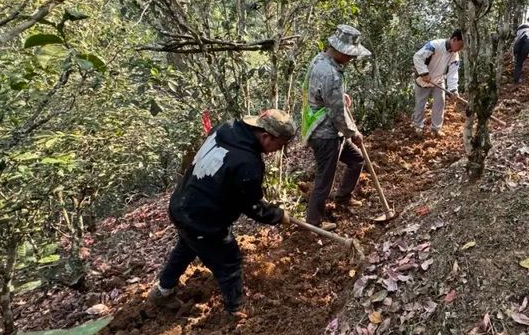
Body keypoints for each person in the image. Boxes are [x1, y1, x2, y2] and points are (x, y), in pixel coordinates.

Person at [149, 110, 296, 317]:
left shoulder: (226, 128)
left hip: (181, 204)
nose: (278, 150)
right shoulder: (248, 163)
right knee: (229, 261)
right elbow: (252, 206)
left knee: (188, 245)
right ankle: (235, 310)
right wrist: (278, 215)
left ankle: (163, 291)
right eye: (279, 145)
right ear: (265, 136)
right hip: (201, 219)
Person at [302, 24, 371, 231]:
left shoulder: (320, 59)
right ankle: (314, 221)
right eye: (349, 55)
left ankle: (343, 197)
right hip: (326, 134)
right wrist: (353, 132)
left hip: (325, 128)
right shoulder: (331, 74)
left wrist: (340, 96)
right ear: (340, 50)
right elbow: (337, 113)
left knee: (356, 159)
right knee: (324, 178)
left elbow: (323, 93)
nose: (351, 59)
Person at [412, 29, 464, 137]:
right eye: (460, 45)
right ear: (454, 39)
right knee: (420, 104)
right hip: (423, 81)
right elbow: (417, 57)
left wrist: (453, 89)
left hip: (439, 81)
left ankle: (436, 129)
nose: (460, 49)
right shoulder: (435, 45)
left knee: (440, 103)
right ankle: (418, 127)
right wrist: (424, 72)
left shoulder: (455, 55)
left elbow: (453, 73)